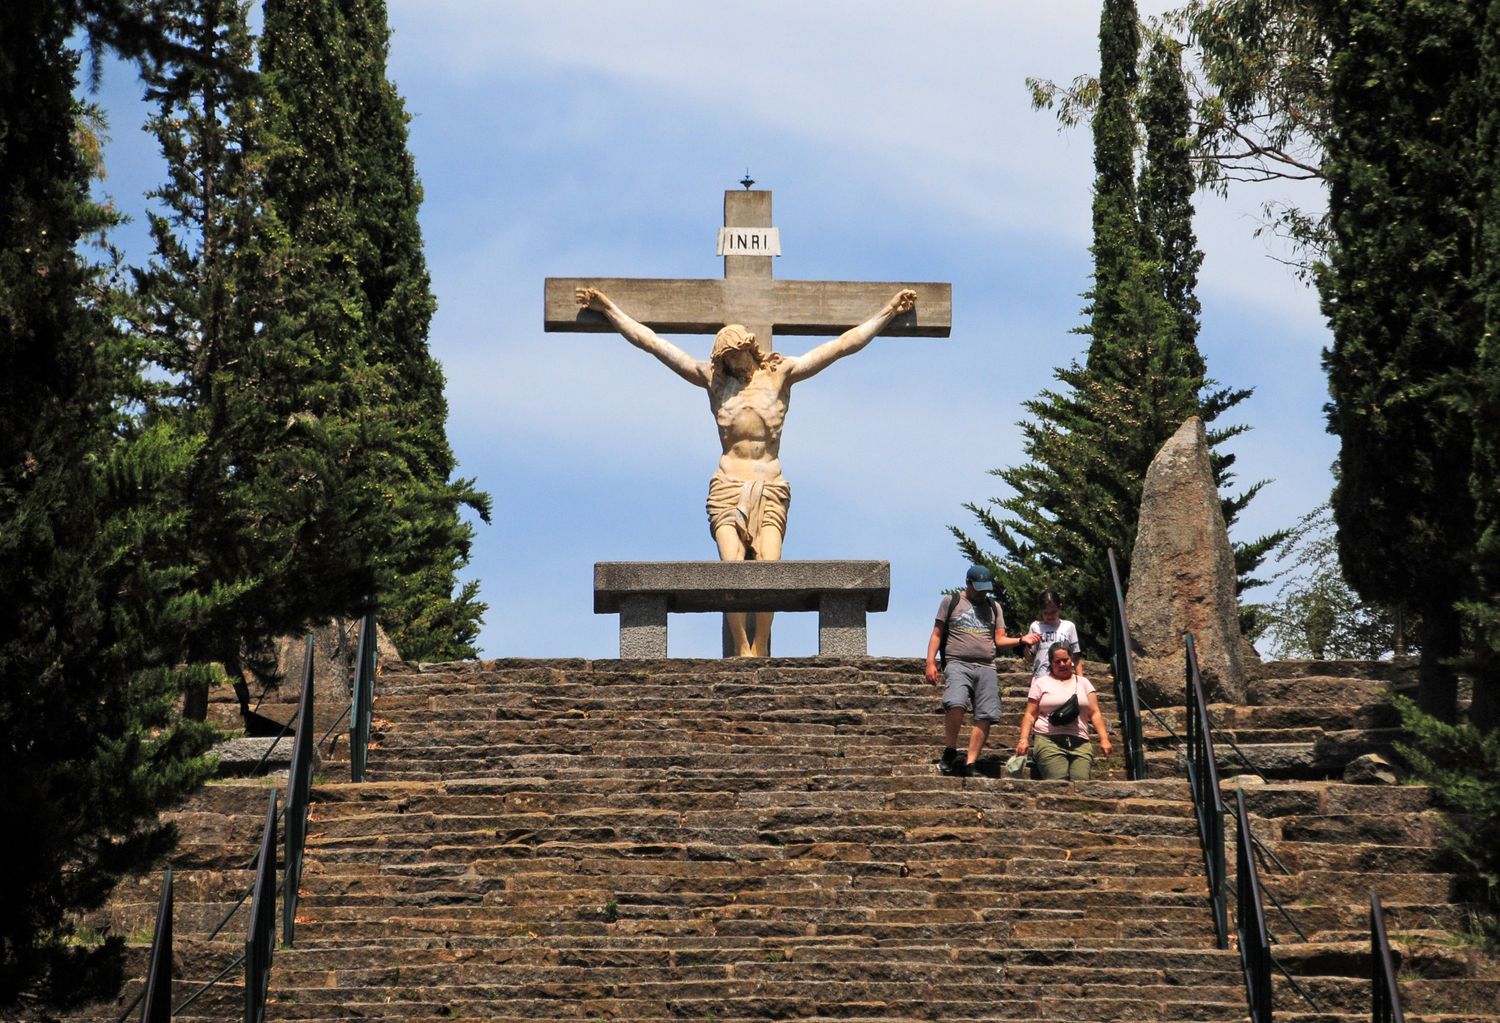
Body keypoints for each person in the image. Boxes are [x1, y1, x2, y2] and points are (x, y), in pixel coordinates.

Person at [576, 286, 918, 657]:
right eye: (725, 359)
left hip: (769, 485)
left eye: (735, 356)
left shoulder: (780, 375)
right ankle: (741, 646)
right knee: (731, 569)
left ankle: (759, 645)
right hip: (728, 485)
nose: (732, 365)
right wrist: (608, 308)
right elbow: (654, 344)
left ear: (748, 348)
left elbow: (842, 345)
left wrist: (888, 312)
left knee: (770, 568)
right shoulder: (714, 382)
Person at [924, 564, 1038, 776]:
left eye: (986, 589)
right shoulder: (952, 601)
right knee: (955, 702)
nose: (983, 592)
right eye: (979, 588)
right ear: (968, 584)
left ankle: (971, 763)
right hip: (958, 662)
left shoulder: (994, 607)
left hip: (986, 665)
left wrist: (1021, 640)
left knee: (985, 714)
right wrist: (930, 662)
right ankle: (950, 750)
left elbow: (1000, 639)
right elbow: (937, 633)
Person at [1015, 642, 1113, 781]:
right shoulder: (1041, 683)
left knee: (1081, 782)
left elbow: (1095, 713)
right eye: (1057, 661)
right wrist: (1024, 739)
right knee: (1058, 783)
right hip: (1048, 739)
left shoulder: (1084, 683)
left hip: (1080, 741)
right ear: (1050, 663)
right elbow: (1030, 714)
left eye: (1065, 660)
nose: (1062, 664)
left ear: (1071, 660)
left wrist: (1104, 739)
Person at [1020, 591, 1082, 681]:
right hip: (1041, 677)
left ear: (1059, 608)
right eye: (1046, 613)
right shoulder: (1035, 627)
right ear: (1041, 611)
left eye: (1053, 612)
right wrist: (1023, 644)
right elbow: (1031, 658)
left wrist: (1080, 680)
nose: (1050, 616)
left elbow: (1076, 657)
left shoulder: (1069, 626)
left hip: (1064, 677)